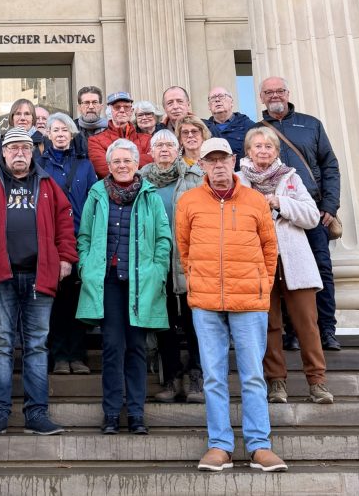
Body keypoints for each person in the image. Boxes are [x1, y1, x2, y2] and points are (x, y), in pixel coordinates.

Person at [176, 137, 286, 473]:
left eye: (224, 159)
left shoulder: (254, 200)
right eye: (212, 161)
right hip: (207, 301)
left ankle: (259, 446)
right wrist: (197, 278)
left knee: (253, 375)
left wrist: (260, 287)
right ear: (203, 165)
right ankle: (219, 445)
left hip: (249, 302)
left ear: (234, 161)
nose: (218, 166)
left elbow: (270, 250)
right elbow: (184, 249)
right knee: (213, 376)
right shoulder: (188, 201)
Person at [0, 127, 78, 437]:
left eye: (25, 148)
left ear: (33, 152)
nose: (19, 154)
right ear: (3, 151)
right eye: (13, 148)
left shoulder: (48, 182)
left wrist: (66, 257)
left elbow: (65, 223)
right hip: (0, 274)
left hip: (40, 275)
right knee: (0, 343)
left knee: (37, 345)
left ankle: (36, 414)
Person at [76, 139, 171, 435]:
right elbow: (85, 237)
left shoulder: (149, 196)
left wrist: (157, 272)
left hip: (141, 283)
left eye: (127, 161)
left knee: (137, 349)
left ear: (136, 163)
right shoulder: (97, 193)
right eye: (116, 161)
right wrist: (85, 266)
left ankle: (137, 415)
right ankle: (112, 413)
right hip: (108, 283)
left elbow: (163, 239)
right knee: (112, 348)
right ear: (109, 165)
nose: (121, 166)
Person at [238, 127, 334, 404]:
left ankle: (317, 382)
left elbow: (311, 216)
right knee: (268, 325)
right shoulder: (239, 181)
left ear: (277, 152)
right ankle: (276, 382)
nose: (263, 151)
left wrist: (280, 202)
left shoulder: (291, 178)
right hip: (257, 264)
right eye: (258, 146)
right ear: (248, 151)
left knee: (307, 324)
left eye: (269, 147)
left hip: (295, 261)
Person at [257, 76, 342, 351]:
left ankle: (327, 330)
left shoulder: (311, 124)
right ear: (261, 97)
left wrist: (330, 205)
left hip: (313, 211)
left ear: (288, 93)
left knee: (322, 270)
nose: (274, 95)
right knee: (283, 274)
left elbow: (329, 165)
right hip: (277, 216)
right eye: (269, 92)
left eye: (279, 90)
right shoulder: (257, 130)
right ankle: (292, 332)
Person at [141, 129, 205, 403]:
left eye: (169, 144)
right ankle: (171, 379)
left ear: (177, 149)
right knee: (163, 324)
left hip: (189, 261)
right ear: (151, 152)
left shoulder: (194, 177)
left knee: (195, 324)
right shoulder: (140, 180)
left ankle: (196, 379)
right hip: (156, 263)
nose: (164, 149)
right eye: (158, 145)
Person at [39, 113, 97, 375]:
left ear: (72, 134)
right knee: (56, 301)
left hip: (80, 239)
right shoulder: (39, 165)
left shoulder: (85, 165)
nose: (60, 134)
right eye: (55, 130)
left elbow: (93, 200)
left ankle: (78, 356)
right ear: (48, 135)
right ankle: (59, 356)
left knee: (78, 300)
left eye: (65, 130)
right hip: (50, 241)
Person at [88, 91, 153, 177]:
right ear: (110, 110)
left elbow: (152, 162)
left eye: (126, 107)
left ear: (131, 111)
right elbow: (103, 169)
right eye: (117, 107)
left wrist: (115, 162)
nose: (122, 110)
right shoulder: (95, 141)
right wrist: (138, 160)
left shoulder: (148, 139)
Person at [204, 87, 253, 169]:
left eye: (221, 96)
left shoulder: (248, 126)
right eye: (213, 98)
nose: (217, 100)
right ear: (209, 106)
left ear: (231, 102)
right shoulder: (204, 128)